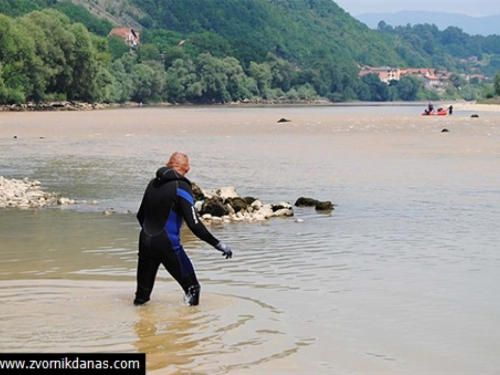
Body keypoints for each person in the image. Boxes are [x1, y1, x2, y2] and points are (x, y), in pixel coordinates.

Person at [134, 152, 233, 306]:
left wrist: (152, 236)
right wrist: (218, 244)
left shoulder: (153, 183)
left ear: (168, 164)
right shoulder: (182, 186)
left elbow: (141, 215)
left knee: (142, 297)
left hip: (145, 241)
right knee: (192, 289)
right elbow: (194, 224)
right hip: (167, 244)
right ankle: (188, 327)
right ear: (187, 169)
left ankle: (140, 327)